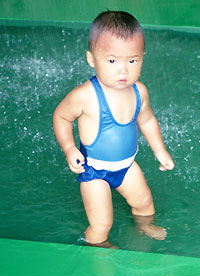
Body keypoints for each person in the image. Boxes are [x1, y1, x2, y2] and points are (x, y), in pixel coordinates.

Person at [53, 11, 174, 247]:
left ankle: (144, 225)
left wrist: (160, 150)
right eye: (112, 60)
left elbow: (147, 121)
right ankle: (97, 245)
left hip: (126, 166)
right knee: (102, 223)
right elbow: (61, 116)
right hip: (94, 172)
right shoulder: (85, 96)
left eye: (132, 60)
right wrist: (69, 148)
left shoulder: (139, 91)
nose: (123, 70)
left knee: (145, 204)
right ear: (92, 59)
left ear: (142, 58)